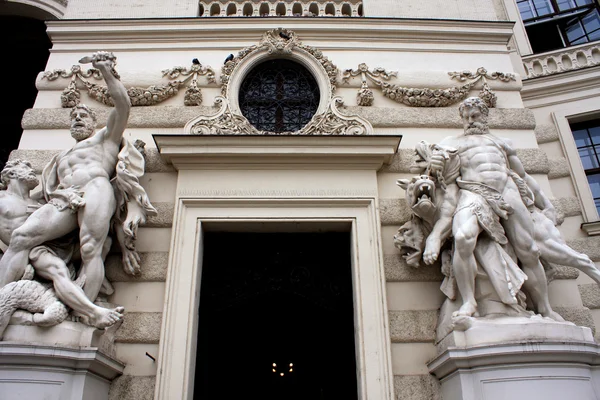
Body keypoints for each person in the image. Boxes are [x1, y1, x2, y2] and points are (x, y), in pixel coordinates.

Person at [0, 51, 131, 303]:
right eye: (74, 117)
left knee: (91, 248)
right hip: (64, 200)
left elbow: (123, 105)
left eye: (83, 116)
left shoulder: (105, 138)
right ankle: (4, 297)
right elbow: (45, 192)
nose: (77, 119)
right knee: (21, 237)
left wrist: (105, 71)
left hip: (95, 189)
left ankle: (84, 317)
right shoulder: (59, 159)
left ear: (94, 122)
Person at [422, 97, 562, 321]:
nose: (470, 121)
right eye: (466, 117)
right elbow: (439, 174)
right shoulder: (453, 142)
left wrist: (545, 204)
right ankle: (469, 302)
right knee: (464, 237)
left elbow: (523, 177)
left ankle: (545, 308)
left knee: (529, 250)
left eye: (474, 116)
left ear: (484, 116)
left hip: (506, 192)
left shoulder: (503, 142)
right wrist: (435, 164)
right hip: (474, 191)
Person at [0, 160, 122, 328]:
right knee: (57, 268)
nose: (31, 170)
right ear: (12, 174)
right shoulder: (1, 198)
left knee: (104, 243)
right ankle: (92, 312)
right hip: (28, 252)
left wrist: (66, 195)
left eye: (30, 166)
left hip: (49, 246)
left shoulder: (37, 202)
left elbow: (53, 216)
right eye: (25, 167)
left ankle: (82, 301)